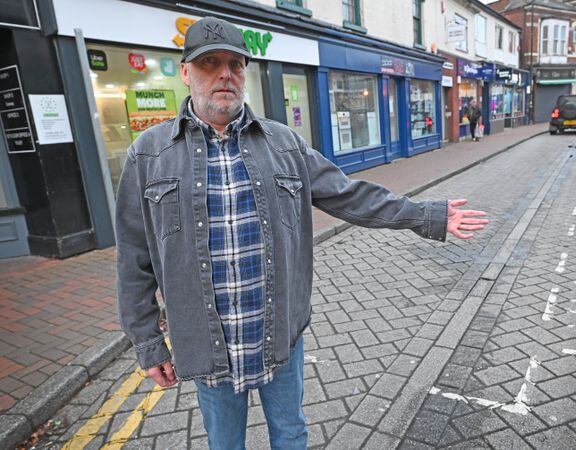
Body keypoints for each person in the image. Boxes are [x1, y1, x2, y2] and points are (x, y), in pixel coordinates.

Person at [116, 17, 489, 450]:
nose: (225, 74)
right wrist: (148, 343)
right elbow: (133, 256)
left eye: (236, 64)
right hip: (207, 342)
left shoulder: (284, 144)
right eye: (209, 63)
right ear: (185, 72)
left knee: (290, 432)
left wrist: (429, 215)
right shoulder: (149, 154)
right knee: (224, 441)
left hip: (279, 335)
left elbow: (352, 197)